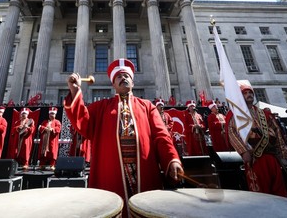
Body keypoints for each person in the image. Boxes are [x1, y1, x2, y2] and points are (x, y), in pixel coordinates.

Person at [64, 58, 183, 216]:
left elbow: (162, 136)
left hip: (144, 170)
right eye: (119, 77)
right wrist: (75, 91)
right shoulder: (101, 108)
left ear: (133, 83)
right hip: (112, 172)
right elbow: (83, 122)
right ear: (113, 85)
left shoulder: (147, 106)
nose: (123, 78)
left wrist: (172, 159)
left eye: (127, 76)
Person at [227, 80, 287, 197]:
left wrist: (282, 154)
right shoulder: (236, 114)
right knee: (261, 192)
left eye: (250, 93)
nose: (249, 95)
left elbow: (278, 132)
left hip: (272, 156)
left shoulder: (264, 114)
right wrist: (243, 151)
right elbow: (232, 132)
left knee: (279, 190)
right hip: (255, 157)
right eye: (245, 93)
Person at [38, 106, 61, 171]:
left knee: (52, 152)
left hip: (52, 140)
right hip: (44, 140)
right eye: (50, 114)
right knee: (43, 151)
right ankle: (42, 165)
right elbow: (41, 127)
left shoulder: (57, 122)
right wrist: (44, 128)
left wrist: (52, 129)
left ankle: (52, 165)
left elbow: (58, 129)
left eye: (53, 114)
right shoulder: (45, 122)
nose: (51, 115)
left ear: (55, 114)